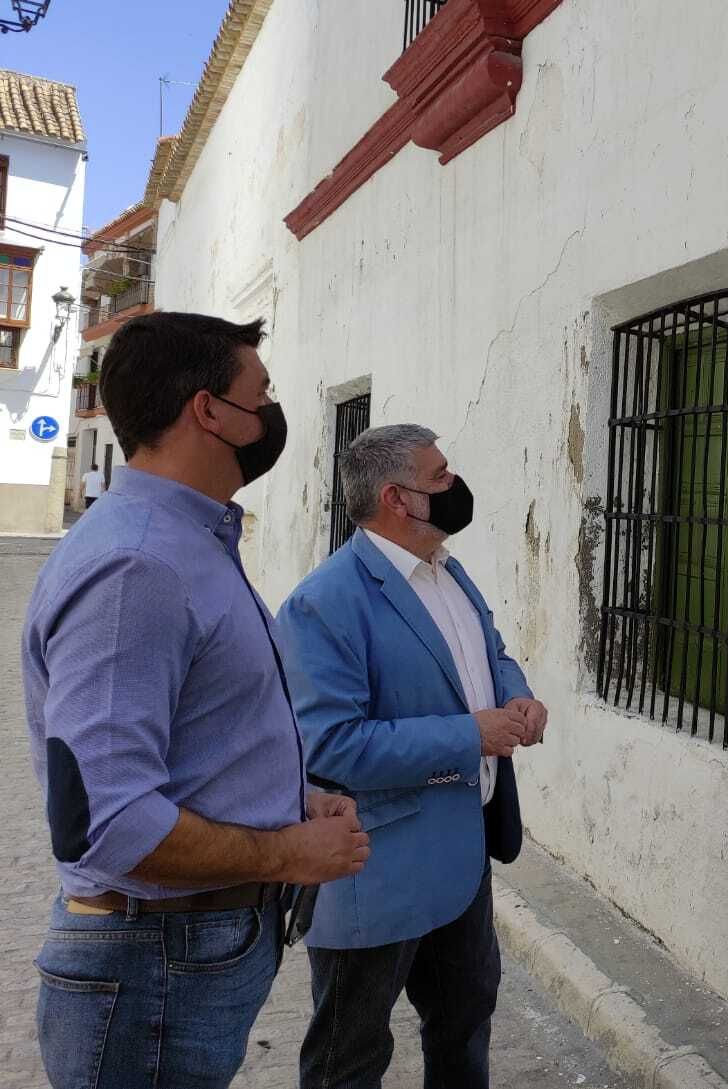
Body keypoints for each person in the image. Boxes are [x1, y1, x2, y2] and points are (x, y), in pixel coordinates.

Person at [22, 312, 371, 1089]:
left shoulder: (187, 541)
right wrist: (287, 852)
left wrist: (288, 801)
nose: (271, 413)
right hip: (152, 960)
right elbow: (109, 823)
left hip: (180, 953)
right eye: (262, 393)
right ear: (209, 410)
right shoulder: (139, 563)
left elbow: (198, 735)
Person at [276, 423, 547, 1089]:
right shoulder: (326, 602)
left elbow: (492, 653)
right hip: (377, 871)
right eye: (442, 476)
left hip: (464, 862)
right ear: (399, 499)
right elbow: (333, 746)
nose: (456, 485)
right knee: (349, 1058)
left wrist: (517, 698)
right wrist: (470, 734)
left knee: (463, 1034)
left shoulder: (449, 571)